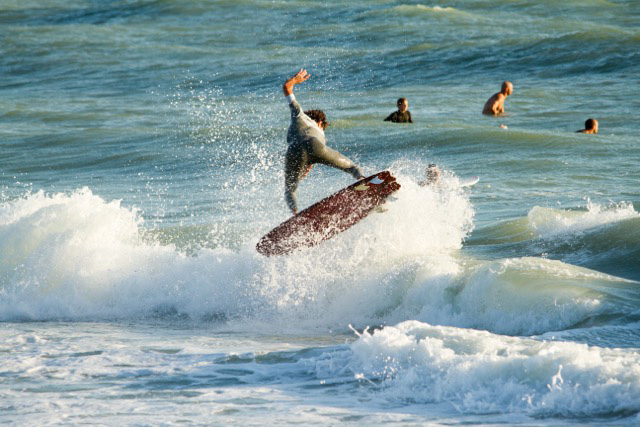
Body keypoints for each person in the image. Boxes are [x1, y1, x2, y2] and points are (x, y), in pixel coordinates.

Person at [282, 68, 365, 215]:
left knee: (290, 190)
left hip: (292, 151)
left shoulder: (296, 119)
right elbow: (287, 86)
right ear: (320, 122)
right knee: (352, 167)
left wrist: (303, 168)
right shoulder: (302, 116)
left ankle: (295, 214)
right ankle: (364, 182)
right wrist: (295, 80)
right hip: (313, 145)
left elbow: (304, 162)